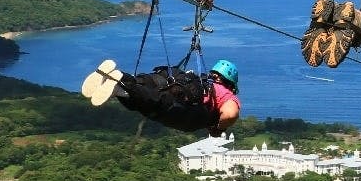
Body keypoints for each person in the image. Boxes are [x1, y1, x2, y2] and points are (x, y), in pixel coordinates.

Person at [81, 58, 241, 135]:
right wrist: (218, 128)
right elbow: (231, 113)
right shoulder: (226, 93)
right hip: (178, 104)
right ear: (231, 82)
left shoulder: (202, 80)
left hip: (167, 81)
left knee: (141, 99)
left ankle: (119, 83)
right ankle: (120, 82)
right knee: (153, 106)